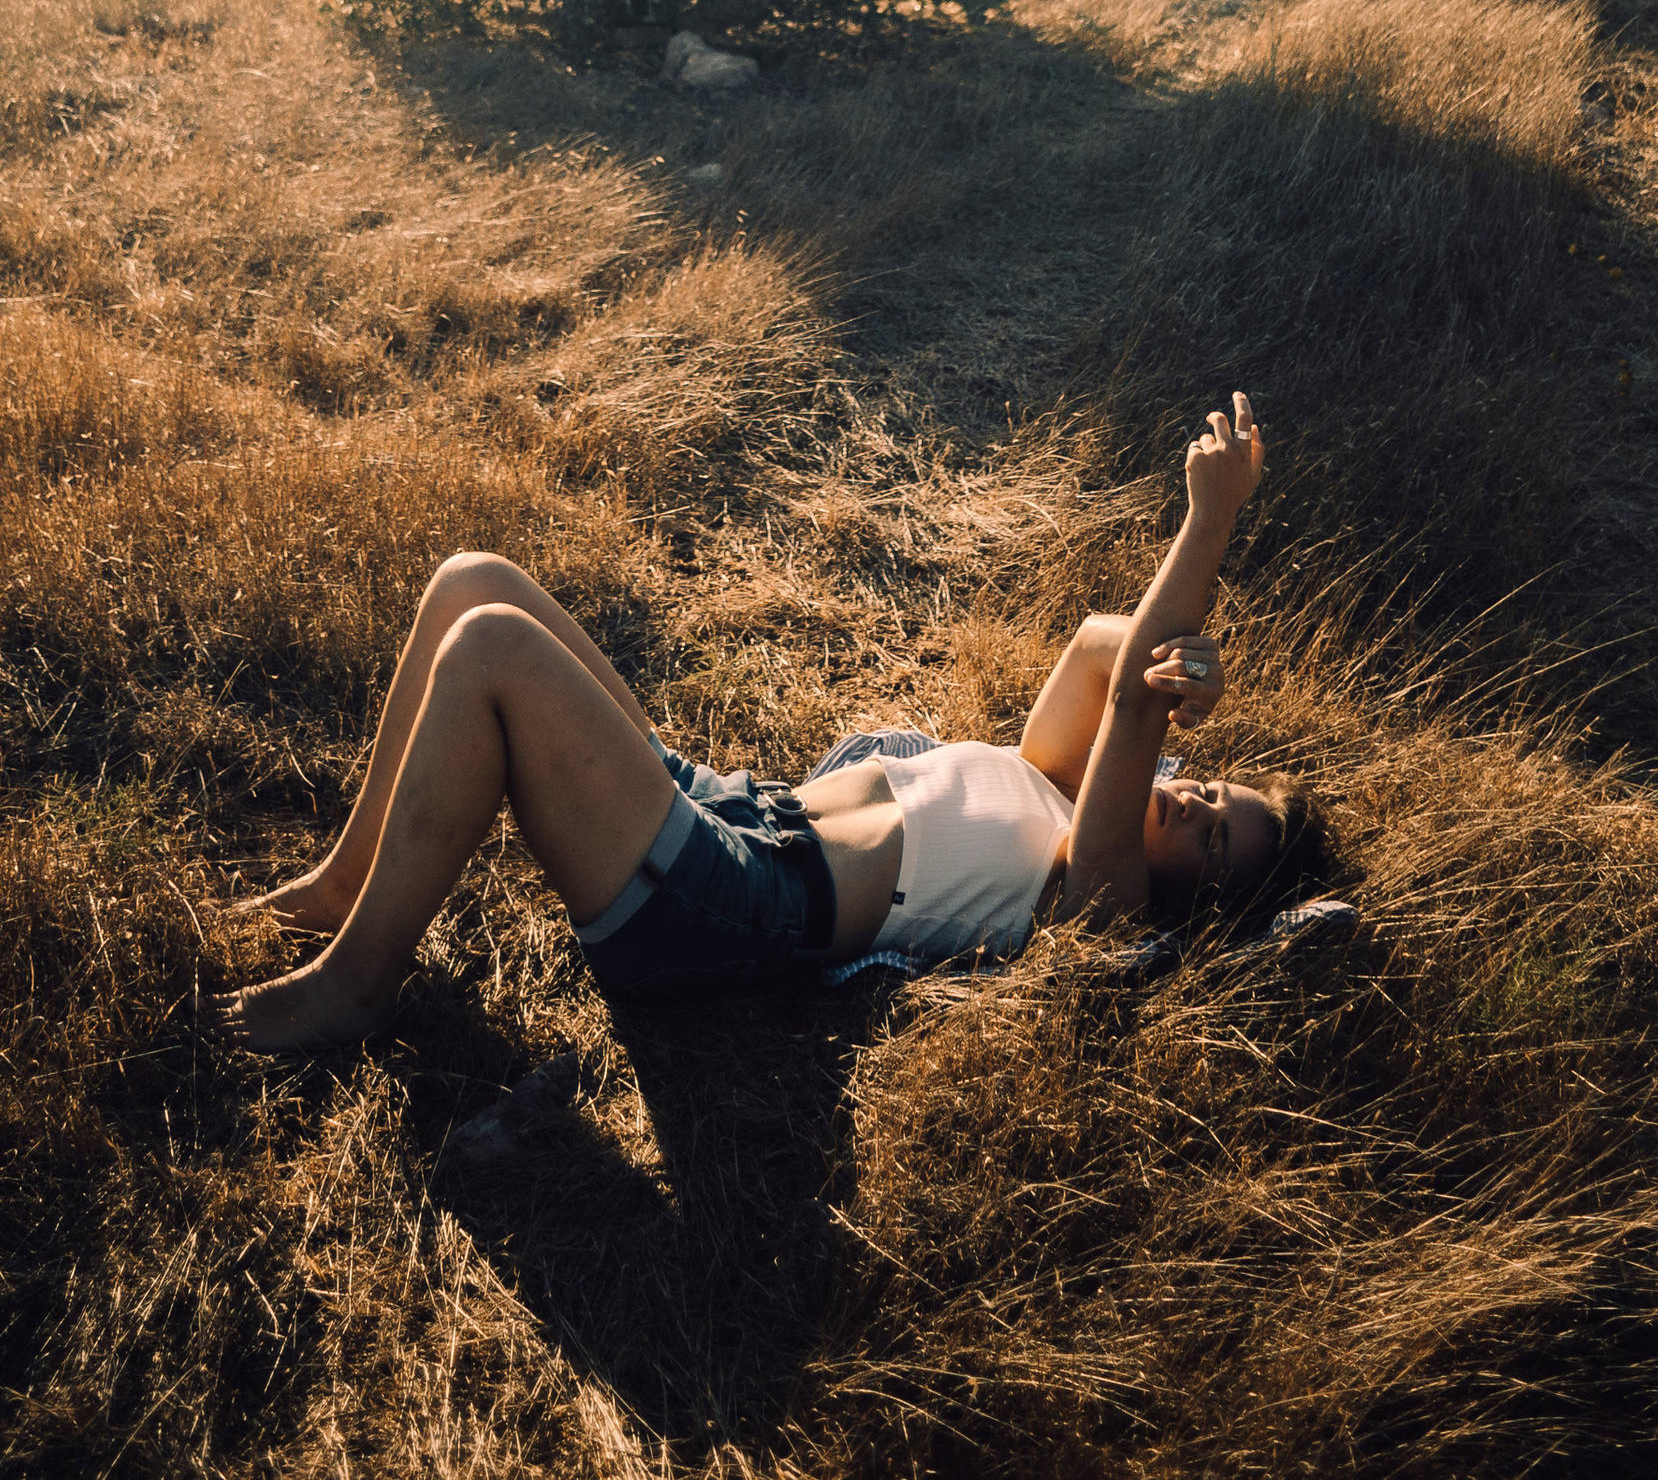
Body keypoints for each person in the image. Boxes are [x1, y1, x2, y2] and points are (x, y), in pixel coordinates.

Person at [219, 397, 1286, 1056]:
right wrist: (1176, 660)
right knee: (473, 580)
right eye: (1215, 789)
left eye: (1213, 836)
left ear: (1193, 897)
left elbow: (1133, 708)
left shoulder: (1096, 894)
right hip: (727, 806)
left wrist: (1210, 519)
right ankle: (345, 883)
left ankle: (358, 982)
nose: (1192, 800)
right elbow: (1107, 655)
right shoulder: (1050, 783)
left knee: (492, 649)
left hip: (732, 904)